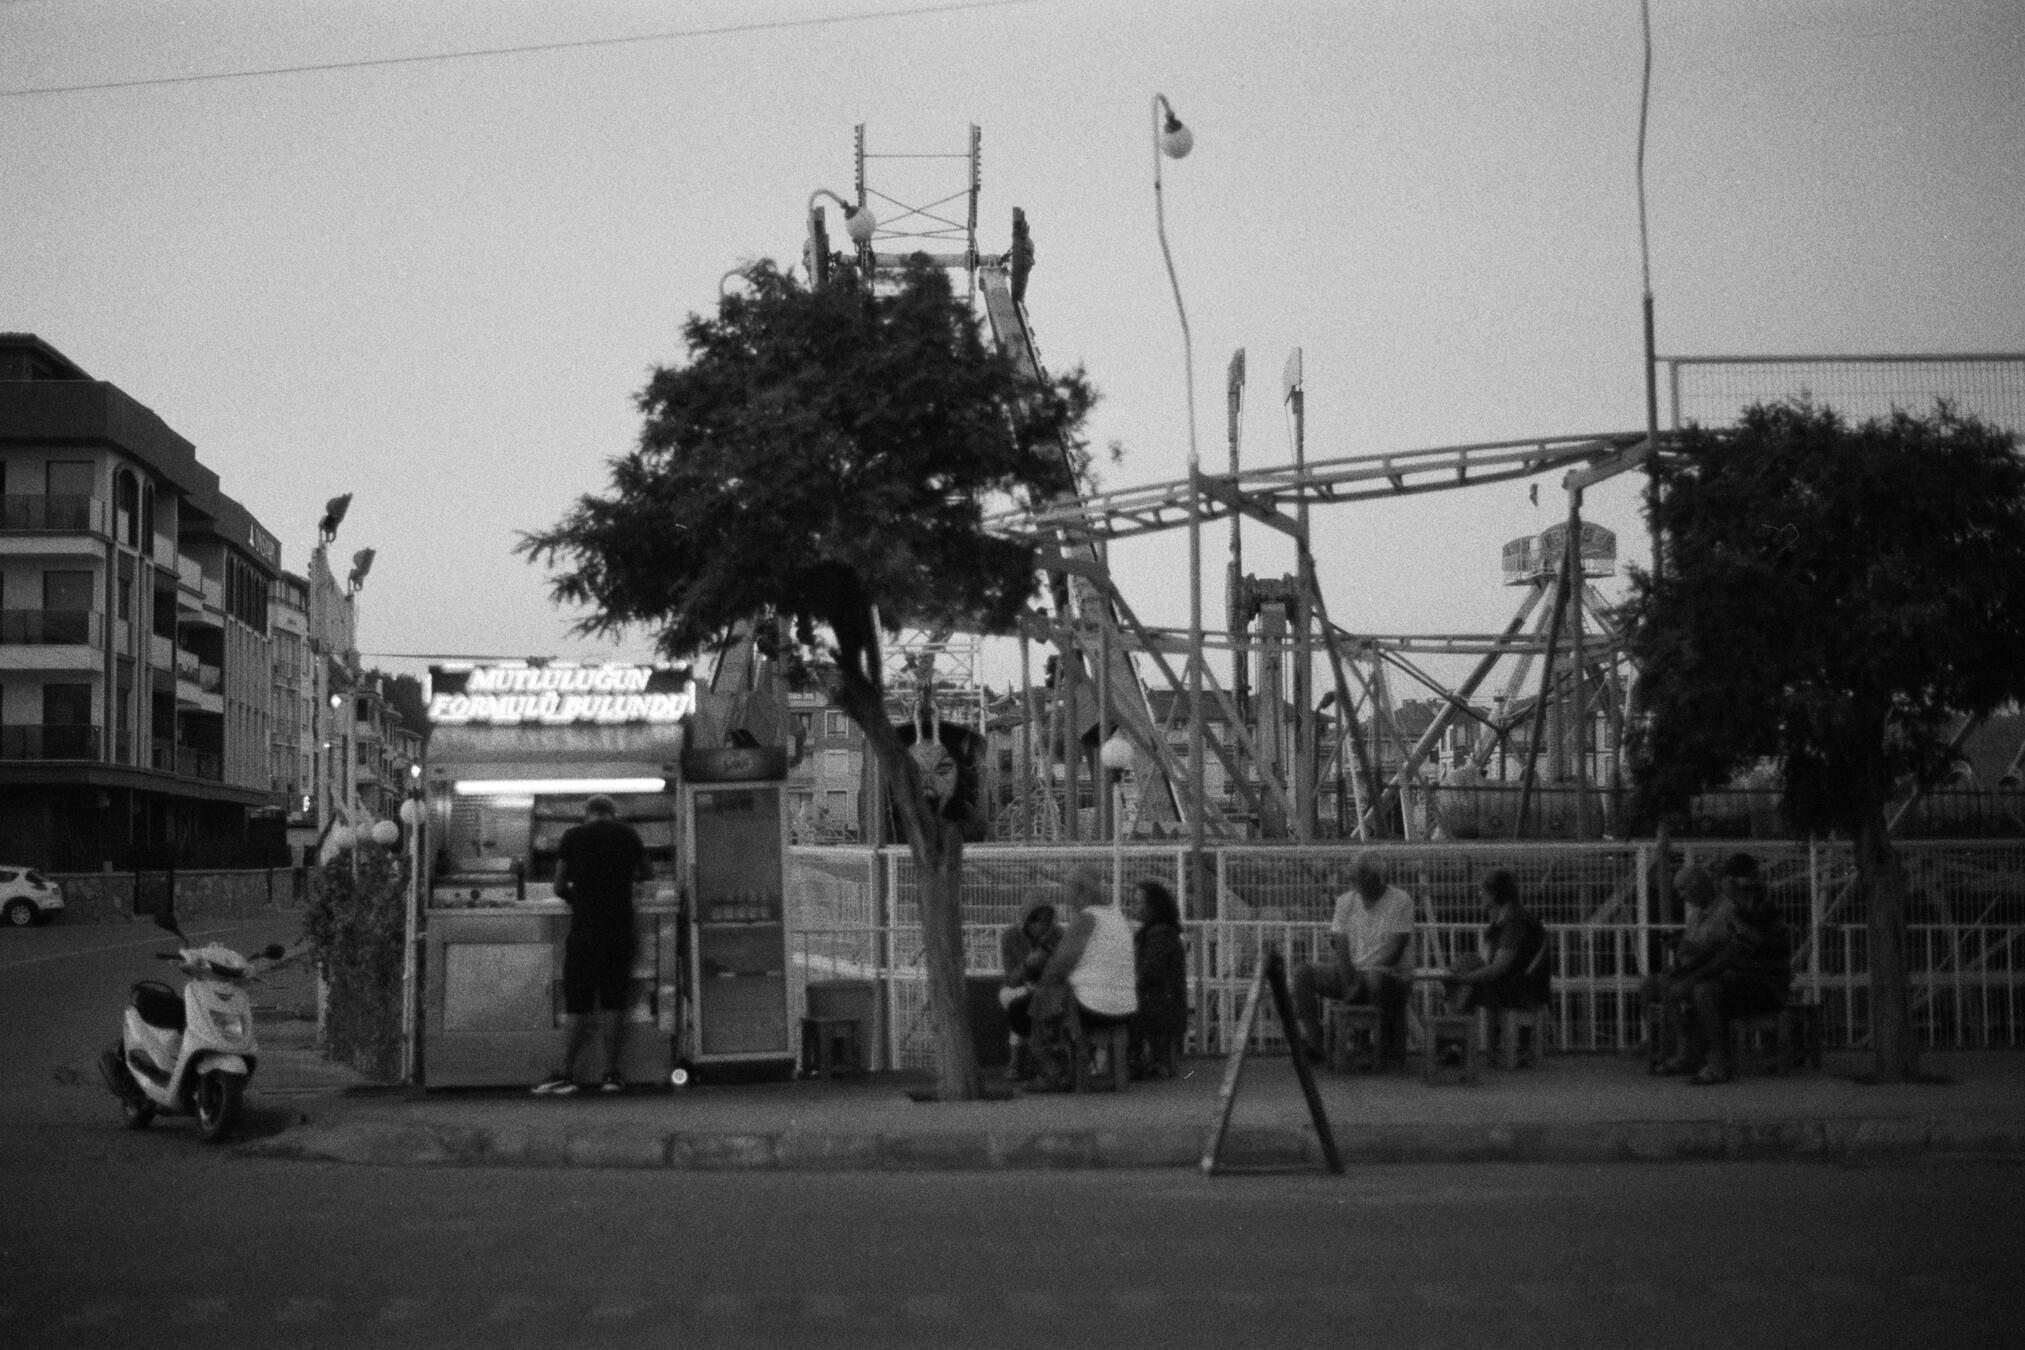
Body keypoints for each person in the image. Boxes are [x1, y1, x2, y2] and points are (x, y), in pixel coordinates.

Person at [532, 794, 646, 1096]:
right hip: (620, 930)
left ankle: (567, 1074)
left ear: (587, 814)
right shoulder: (628, 834)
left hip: (585, 930)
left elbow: (558, 886)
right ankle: (611, 1074)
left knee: (578, 1004)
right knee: (613, 1002)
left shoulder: (573, 836)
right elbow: (646, 873)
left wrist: (579, 898)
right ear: (612, 813)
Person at [1659, 851, 1794, 1085]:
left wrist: (1693, 977)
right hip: (1750, 982)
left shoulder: (1756, 909)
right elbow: (1717, 948)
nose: (1720, 887)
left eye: (1721, 880)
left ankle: (1719, 1062)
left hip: (1768, 988)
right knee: (1690, 986)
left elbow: (1732, 954)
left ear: (1731, 882)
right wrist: (1682, 975)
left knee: (1704, 991)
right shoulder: (1745, 908)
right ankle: (1694, 1054)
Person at [1293, 854, 1416, 1069]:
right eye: (1354, 879)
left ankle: (1381, 1050)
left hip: (1387, 974)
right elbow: (1341, 947)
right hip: (1352, 973)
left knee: (1376, 978)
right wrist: (1351, 981)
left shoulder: (1401, 900)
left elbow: (1397, 947)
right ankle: (1316, 1045)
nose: (1354, 885)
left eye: (1358, 879)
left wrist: (1367, 975)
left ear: (1375, 878)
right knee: (1303, 973)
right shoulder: (1345, 901)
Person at [1025, 865, 1139, 1092]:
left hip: (1093, 1008)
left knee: (1045, 994)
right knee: (1054, 992)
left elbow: (1058, 966)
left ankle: (1054, 1070)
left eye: (1068, 890)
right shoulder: (1116, 917)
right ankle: (1068, 1068)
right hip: (1125, 1006)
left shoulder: (1086, 919)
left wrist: (1040, 983)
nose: (1067, 898)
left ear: (1079, 890)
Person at [1641, 861, 1719, 1071]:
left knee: (1670, 985)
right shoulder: (1695, 914)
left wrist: (1686, 950)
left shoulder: (1723, 911)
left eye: (1683, 889)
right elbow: (1692, 946)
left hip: (1709, 971)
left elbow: (1715, 949)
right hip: (1690, 968)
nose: (1681, 896)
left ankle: (1685, 1051)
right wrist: (1679, 948)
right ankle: (1662, 1044)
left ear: (1698, 885)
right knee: (1648, 985)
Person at [999, 899, 1063, 1082]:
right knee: (1018, 1002)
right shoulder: (1010, 936)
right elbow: (1010, 979)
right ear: (1026, 920)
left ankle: (1015, 1064)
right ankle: (1034, 1061)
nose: (1042, 925)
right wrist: (1027, 965)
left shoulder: (1057, 934)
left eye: (1046, 920)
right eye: (1037, 920)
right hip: (1017, 986)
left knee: (1026, 1007)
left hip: (1048, 988)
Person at [1129, 879, 1188, 1079]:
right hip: (1162, 1001)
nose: (1134, 907)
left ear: (1153, 907)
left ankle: (1136, 1061)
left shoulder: (1160, 935)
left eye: (1139, 902)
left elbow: (1149, 972)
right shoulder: (1158, 933)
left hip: (1160, 1004)